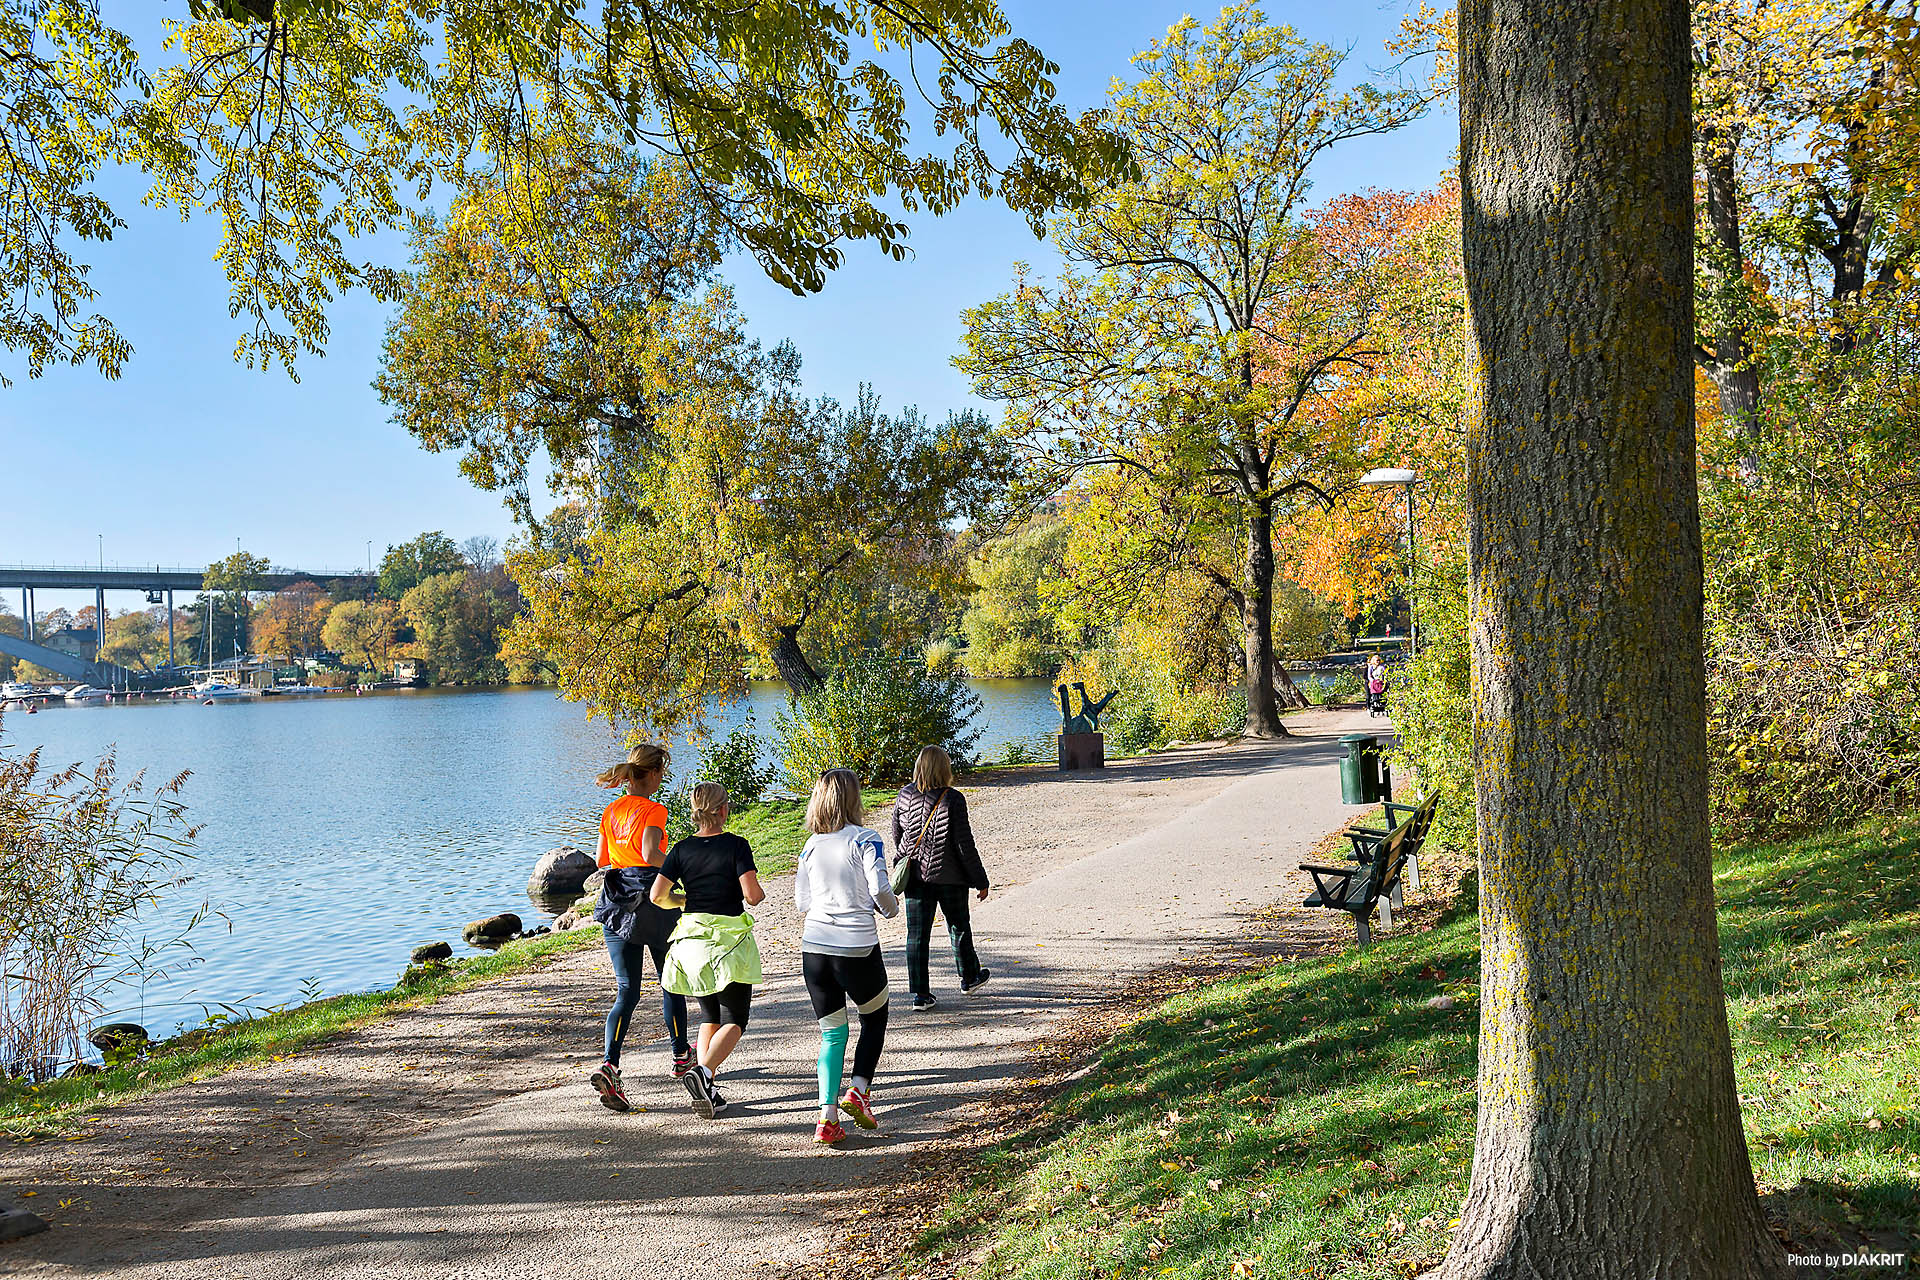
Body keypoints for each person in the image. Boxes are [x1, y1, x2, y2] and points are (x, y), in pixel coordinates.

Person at [795, 768, 899, 1145]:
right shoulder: (866, 839)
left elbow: (801, 902)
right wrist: (891, 909)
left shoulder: (810, 845)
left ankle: (827, 1117)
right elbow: (881, 889)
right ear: (853, 799)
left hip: (815, 948)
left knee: (832, 1034)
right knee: (875, 1016)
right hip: (855, 946)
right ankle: (858, 1091)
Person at [588, 744, 693, 1112]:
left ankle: (609, 1064)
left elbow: (603, 858)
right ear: (650, 775)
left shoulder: (611, 810)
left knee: (626, 991)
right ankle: (681, 1056)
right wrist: (681, 866)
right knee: (670, 980)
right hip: (652, 900)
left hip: (616, 900)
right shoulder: (653, 809)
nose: (661, 779)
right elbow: (650, 854)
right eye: (661, 773)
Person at [653, 782, 765, 1119]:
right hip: (725, 942)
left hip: (691, 941)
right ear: (722, 810)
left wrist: (684, 899)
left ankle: (708, 1088)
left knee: (709, 1016)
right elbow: (753, 895)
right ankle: (701, 1073)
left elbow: (657, 896)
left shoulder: (681, 849)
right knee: (735, 1019)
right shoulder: (736, 846)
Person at [889, 745, 990, 1011]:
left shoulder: (904, 795)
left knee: (917, 935)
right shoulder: (953, 798)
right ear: (945, 768)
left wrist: (905, 859)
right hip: (951, 877)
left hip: (915, 877)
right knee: (958, 926)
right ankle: (969, 977)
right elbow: (964, 844)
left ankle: (920, 994)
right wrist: (980, 880)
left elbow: (897, 835)